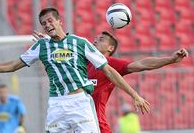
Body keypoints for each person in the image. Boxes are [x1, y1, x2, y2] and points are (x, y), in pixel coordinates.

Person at [0, 7, 150, 133]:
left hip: (80, 103)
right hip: (57, 105)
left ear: (59, 21)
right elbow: (11, 65)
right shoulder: (41, 46)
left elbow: (109, 71)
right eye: (44, 23)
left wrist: (134, 95)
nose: (48, 25)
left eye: (50, 21)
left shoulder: (79, 43)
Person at [32, 30, 188, 133]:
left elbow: (142, 64)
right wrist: (48, 42)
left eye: (100, 39)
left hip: (97, 124)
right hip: (72, 122)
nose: (94, 40)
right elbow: (63, 53)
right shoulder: (81, 61)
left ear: (110, 48)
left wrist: (171, 59)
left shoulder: (109, 63)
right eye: (95, 38)